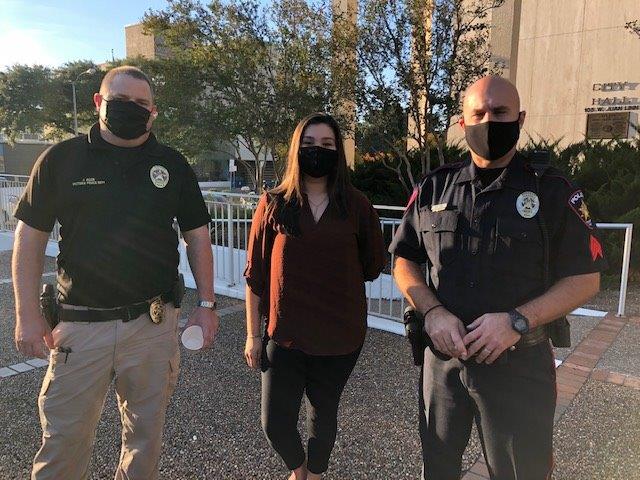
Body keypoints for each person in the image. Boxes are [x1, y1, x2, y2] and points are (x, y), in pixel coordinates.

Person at [389, 76, 607, 480]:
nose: (490, 121)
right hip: (443, 363)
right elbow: (404, 260)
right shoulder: (435, 185)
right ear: (462, 123)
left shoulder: (554, 191)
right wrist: (432, 312)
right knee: (437, 468)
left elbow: (586, 278)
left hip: (519, 362)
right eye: (479, 113)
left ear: (520, 118)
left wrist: (515, 321)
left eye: (501, 112)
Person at [13, 65, 219, 480]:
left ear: (153, 111)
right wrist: (27, 314)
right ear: (98, 102)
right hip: (80, 325)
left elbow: (197, 236)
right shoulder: (61, 159)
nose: (131, 109)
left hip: (152, 325)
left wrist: (207, 304)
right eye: (121, 101)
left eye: (141, 103)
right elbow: (29, 238)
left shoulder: (171, 164)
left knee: (145, 439)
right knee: (63, 445)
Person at [243, 113, 385, 480]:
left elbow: (372, 267)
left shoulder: (357, 206)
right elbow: (255, 277)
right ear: (295, 151)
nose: (317, 153)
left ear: (338, 152)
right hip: (285, 337)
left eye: (326, 145)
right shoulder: (273, 203)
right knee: (274, 422)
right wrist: (252, 335)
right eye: (308, 146)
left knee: (323, 418)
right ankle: (298, 469)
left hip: (340, 338)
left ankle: (315, 475)